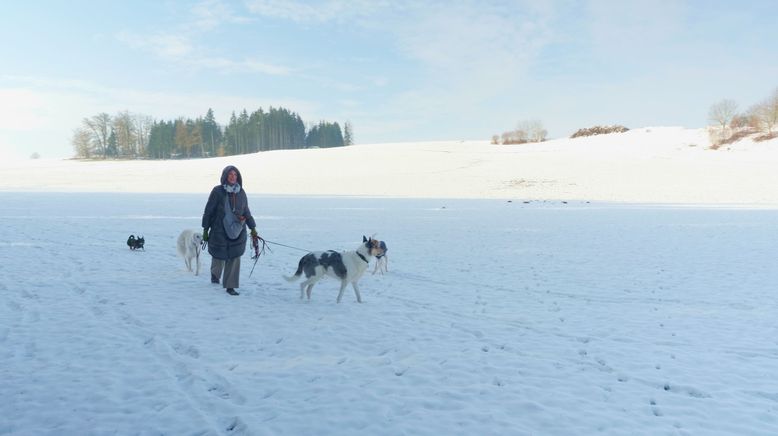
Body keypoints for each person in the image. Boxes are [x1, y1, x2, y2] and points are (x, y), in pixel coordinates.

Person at [202, 165, 259, 296]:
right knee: (218, 255)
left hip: (237, 230)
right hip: (219, 230)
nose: (233, 177)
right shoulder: (217, 191)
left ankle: (230, 286)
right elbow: (209, 211)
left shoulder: (242, 192)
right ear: (225, 177)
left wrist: (253, 228)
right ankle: (215, 275)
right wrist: (205, 229)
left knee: (234, 256)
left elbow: (246, 211)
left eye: (235, 175)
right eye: (230, 175)